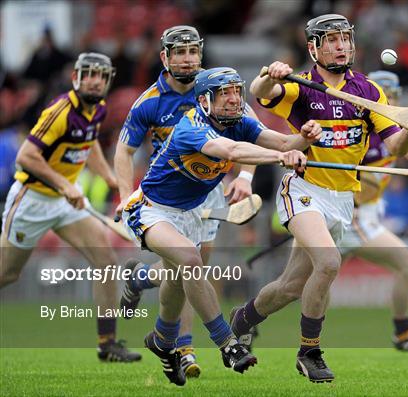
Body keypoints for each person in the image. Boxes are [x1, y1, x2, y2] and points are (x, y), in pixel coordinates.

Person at [231, 14, 408, 383]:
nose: (342, 46)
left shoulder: (370, 92)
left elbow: (395, 146)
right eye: (332, 40)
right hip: (305, 190)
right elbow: (259, 94)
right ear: (314, 48)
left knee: (290, 287)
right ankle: (309, 352)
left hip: (343, 199)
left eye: (345, 39)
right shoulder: (302, 86)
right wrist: (269, 74)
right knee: (329, 263)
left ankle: (243, 319)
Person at [122, 66, 321, 386]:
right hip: (152, 210)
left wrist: (304, 139)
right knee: (189, 260)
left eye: (236, 91)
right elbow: (230, 151)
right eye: (224, 93)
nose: (233, 99)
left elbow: (284, 142)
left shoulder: (239, 120)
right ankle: (227, 344)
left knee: (175, 278)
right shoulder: (191, 126)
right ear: (204, 100)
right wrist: (277, 157)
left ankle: (162, 340)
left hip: (190, 213)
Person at [113, 26, 257, 377]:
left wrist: (246, 176)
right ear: (165, 58)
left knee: (193, 268)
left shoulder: (217, 89)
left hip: (209, 190)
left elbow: (251, 134)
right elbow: (124, 150)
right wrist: (122, 197)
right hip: (168, 194)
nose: (188, 58)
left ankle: (142, 283)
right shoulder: (149, 102)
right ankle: (185, 347)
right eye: (179, 52)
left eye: (193, 51)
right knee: (190, 264)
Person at [0, 52, 141, 362]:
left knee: (105, 261)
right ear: (76, 77)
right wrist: (64, 185)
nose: (94, 80)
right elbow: (26, 156)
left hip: (66, 201)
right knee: (7, 273)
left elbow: (87, 144)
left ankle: (108, 345)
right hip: (33, 200)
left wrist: (107, 176)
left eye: (101, 76)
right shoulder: (60, 111)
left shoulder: (98, 109)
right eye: (88, 74)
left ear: (107, 81)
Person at [339, 70, 408, 354]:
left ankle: (249, 316)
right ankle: (403, 334)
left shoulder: (394, 133)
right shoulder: (357, 134)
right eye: (384, 96)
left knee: (300, 284)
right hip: (349, 217)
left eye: (392, 96)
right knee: (298, 286)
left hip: (365, 216)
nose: (388, 102)